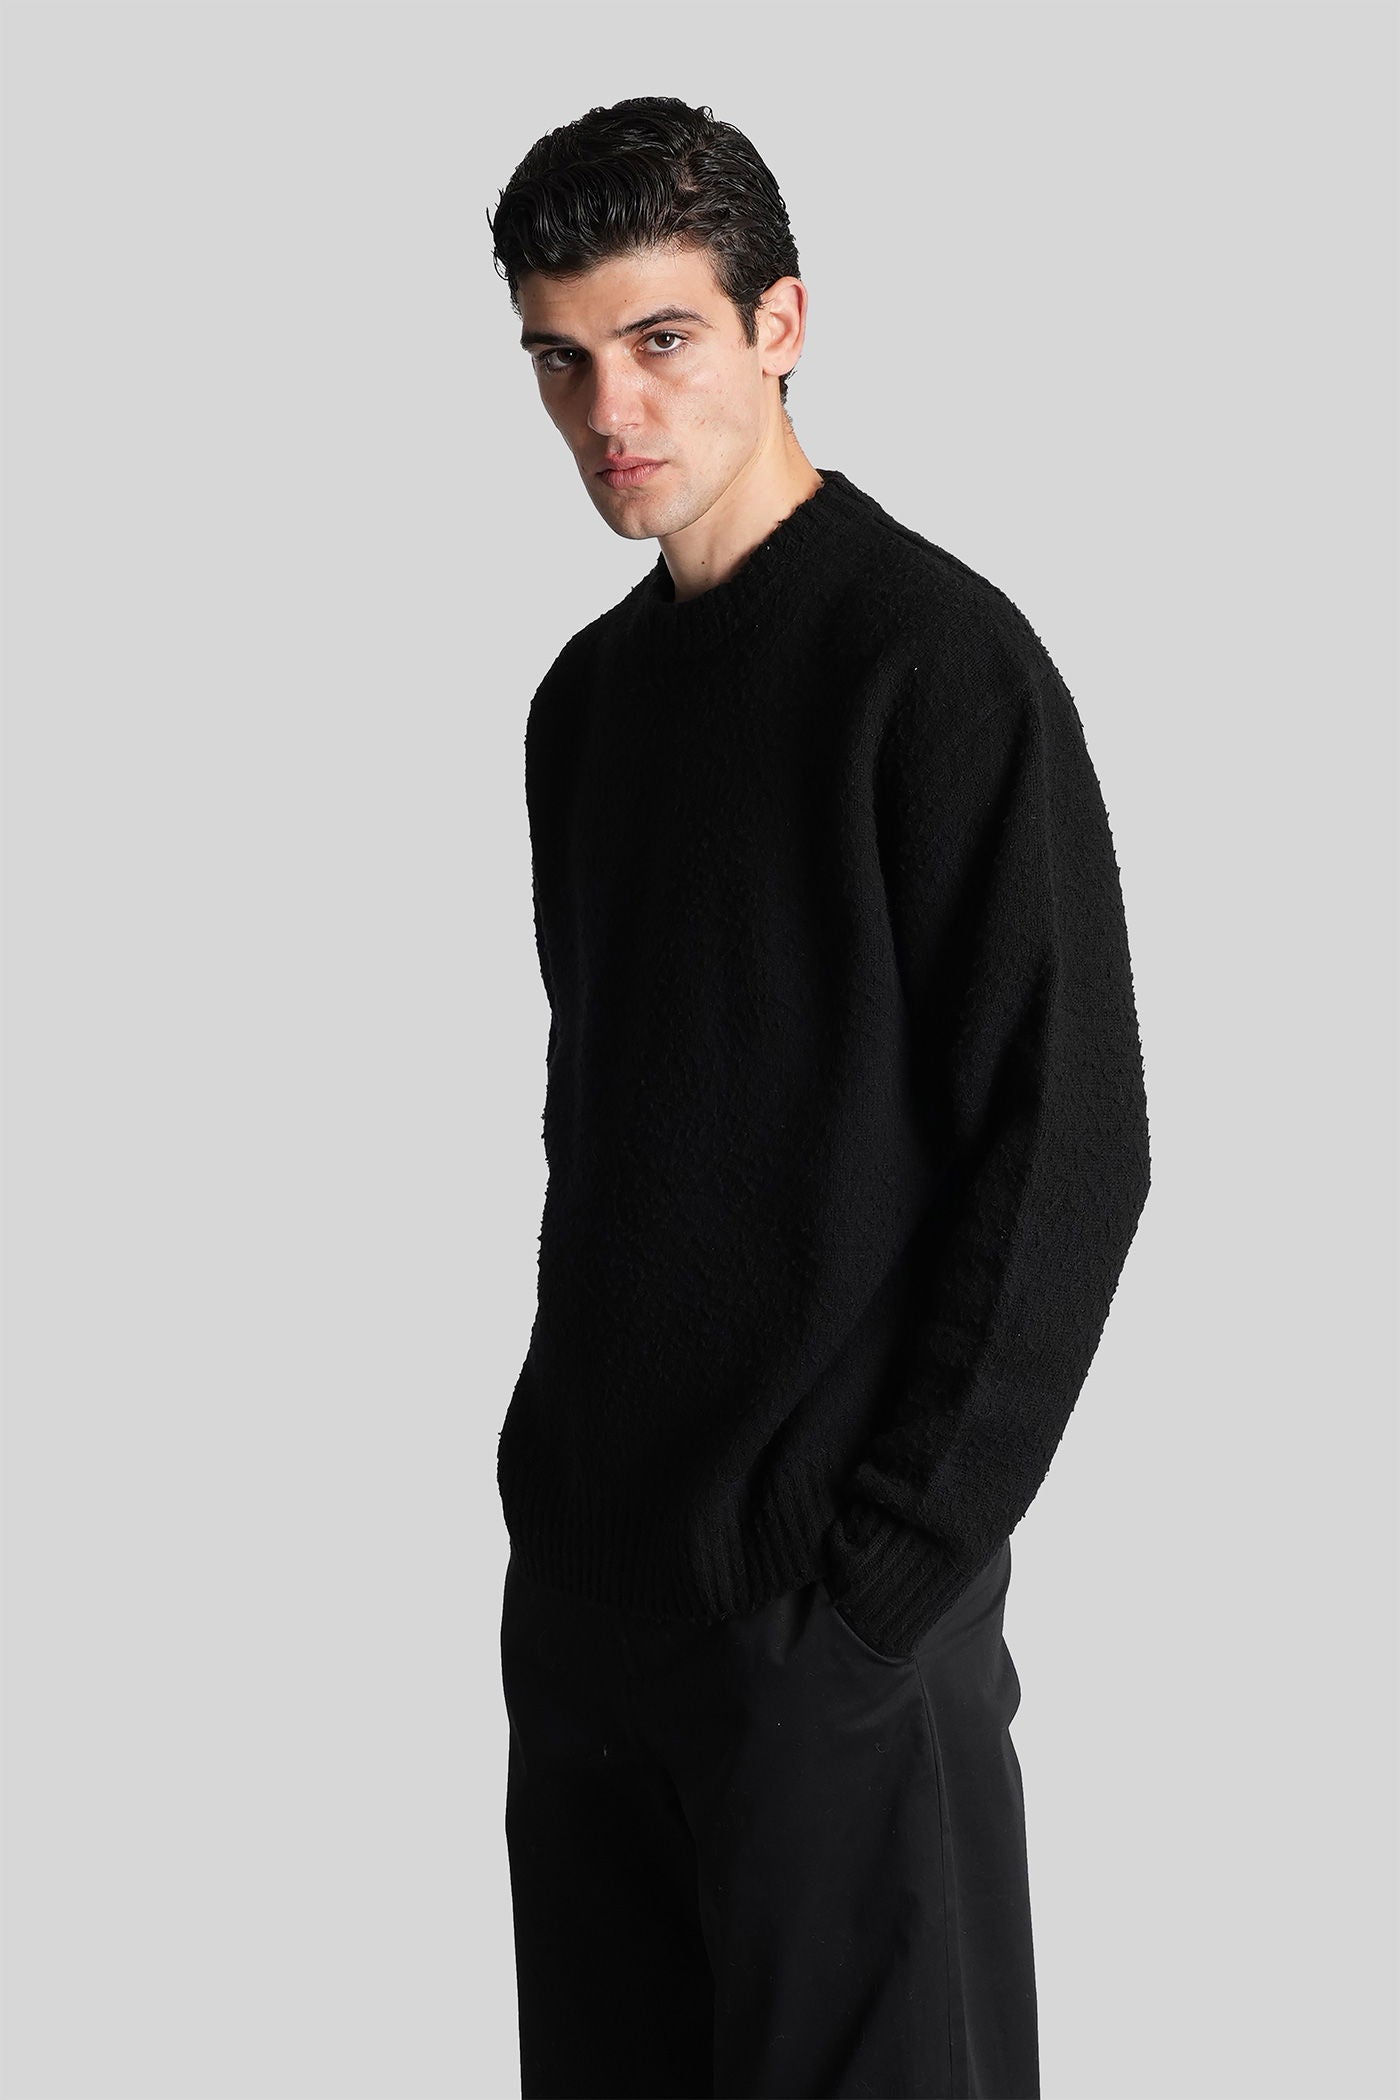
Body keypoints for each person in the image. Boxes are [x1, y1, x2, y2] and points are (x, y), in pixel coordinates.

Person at [485, 94, 1151, 2100]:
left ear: (780, 323)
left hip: (822, 1635)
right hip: (593, 1612)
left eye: (659, 338)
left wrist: (882, 1585)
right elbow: (621, 1133)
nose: (609, 409)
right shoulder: (586, 708)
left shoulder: (934, 667)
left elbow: (1070, 1150)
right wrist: (557, 1515)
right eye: (561, 358)